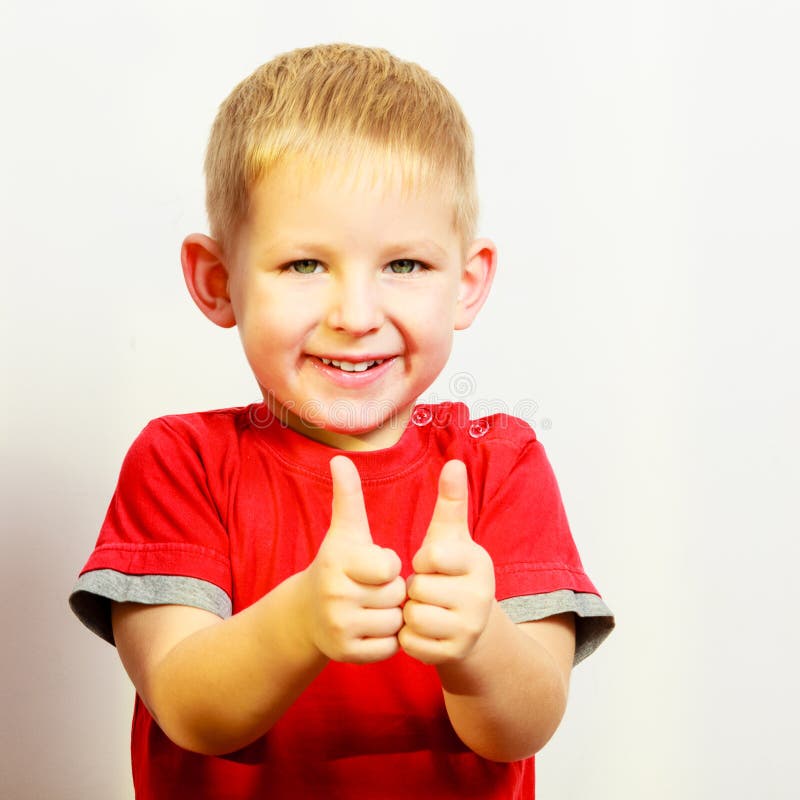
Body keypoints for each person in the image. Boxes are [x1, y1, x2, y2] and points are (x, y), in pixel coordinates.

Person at [70, 43, 614, 799]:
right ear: (216, 280)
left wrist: (479, 642)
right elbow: (190, 710)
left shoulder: (502, 464)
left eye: (404, 266)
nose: (356, 316)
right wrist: (299, 621)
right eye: (304, 265)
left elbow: (523, 726)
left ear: (468, 281)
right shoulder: (180, 461)